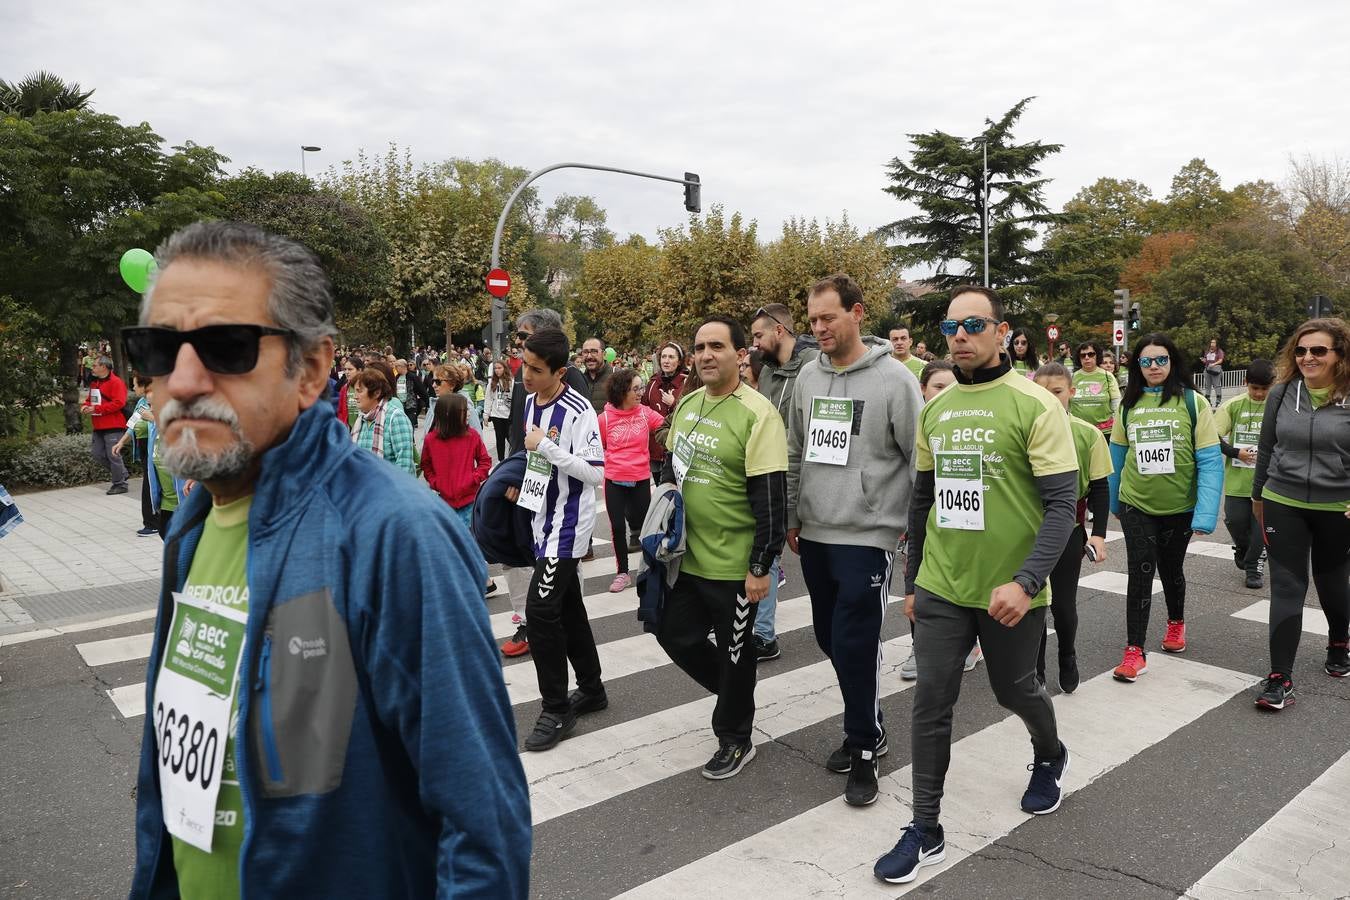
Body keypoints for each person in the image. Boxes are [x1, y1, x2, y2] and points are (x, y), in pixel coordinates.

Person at [124, 220, 528, 897]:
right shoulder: (191, 525)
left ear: (311, 369)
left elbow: (481, 820)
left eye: (227, 346)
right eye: (159, 349)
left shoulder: (393, 533)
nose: (184, 379)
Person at [875, 286, 1075, 886]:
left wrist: (1026, 581)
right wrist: (914, 582)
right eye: (950, 325)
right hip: (942, 585)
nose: (959, 335)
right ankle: (926, 829)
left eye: (972, 324)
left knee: (1017, 692)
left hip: (1009, 592)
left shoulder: (1036, 404)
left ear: (1000, 331)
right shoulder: (935, 409)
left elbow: (1063, 504)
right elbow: (922, 500)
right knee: (930, 701)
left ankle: (1049, 754)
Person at [784, 274, 921, 807]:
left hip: (869, 533)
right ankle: (874, 721)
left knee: (857, 639)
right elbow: (795, 449)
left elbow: (918, 459)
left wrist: (913, 531)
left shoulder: (894, 380)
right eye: (812, 320)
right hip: (815, 529)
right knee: (829, 637)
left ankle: (863, 747)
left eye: (828, 319)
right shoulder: (806, 379)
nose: (818, 329)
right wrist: (793, 514)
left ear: (857, 313)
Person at [657, 315, 787, 780]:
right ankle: (737, 694)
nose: (707, 355)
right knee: (671, 632)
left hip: (735, 566)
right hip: (686, 559)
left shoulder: (758, 413)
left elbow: (771, 499)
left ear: (739, 354)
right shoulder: (689, 404)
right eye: (700, 347)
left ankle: (734, 737)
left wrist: (760, 566)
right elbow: (671, 468)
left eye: (717, 346)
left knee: (737, 653)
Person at [510, 327, 607, 751]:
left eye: (535, 369)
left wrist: (545, 450)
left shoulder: (578, 408)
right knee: (567, 607)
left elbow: (595, 471)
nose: (526, 375)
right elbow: (535, 456)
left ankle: (556, 707)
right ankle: (591, 687)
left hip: (568, 527)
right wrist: (520, 483)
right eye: (523, 365)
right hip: (540, 521)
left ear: (559, 370)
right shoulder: (531, 401)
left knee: (540, 612)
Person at [1107, 332, 1222, 681]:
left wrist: (1204, 512)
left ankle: (1175, 623)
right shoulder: (1127, 406)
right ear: (1137, 366)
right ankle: (1134, 650)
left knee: (1171, 570)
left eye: (1160, 360)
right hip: (1136, 505)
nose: (1153, 367)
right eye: (1145, 361)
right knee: (1140, 572)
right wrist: (1114, 503)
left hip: (1180, 508)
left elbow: (1210, 461)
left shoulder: (1193, 402)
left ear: (1172, 363)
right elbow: (1117, 457)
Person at [1251, 319, 1350, 710]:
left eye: (1319, 350)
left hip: (1337, 507)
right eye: (1301, 350)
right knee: (1288, 586)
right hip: (1283, 499)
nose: (1308, 357)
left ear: (1339, 355)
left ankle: (1339, 641)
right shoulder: (1282, 394)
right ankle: (1280, 677)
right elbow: (1266, 445)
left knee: (1332, 581)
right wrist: (1258, 496)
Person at [500, 310, 594, 658]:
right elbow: (520, 436)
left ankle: (555, 700)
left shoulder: (573, 391)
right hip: (538, 499)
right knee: (561, 602)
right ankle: (590, 685)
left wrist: (545, 446)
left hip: (567, 513)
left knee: (548, 606)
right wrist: (516, 475)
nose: (520, 346)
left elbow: (589, 464)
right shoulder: (527, 389)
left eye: (525, 338)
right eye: (519, 341)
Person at [898, 358, 980, 684]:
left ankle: (971, 643)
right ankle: (920, 647)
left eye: (952, 387)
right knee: (916, 581)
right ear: (923, 389)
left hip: (961, 524)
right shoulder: (919, 421)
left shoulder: (970, 423)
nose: (946, 394)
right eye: (938, 387)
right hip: (917, 520)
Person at [1032, 362, 1112, 692]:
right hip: (1026, 528)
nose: (1050, 399)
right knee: (1032, 601)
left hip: (1068, 527)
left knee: (1063, 605)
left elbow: (1100, 487)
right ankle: (1034, 670)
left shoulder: (1087, 433)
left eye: (1057, 393)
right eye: (1042, 392)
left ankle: (1067, 654)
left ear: (1071, 393)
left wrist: (1099, 534)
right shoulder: (1023, 430)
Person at [750, 303, 821, 662]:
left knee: (821, 566)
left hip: (809, 482)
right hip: (770, 477)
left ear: (779, 330)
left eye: (759, 335)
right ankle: (762, 633)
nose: (754, 344)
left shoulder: (814, 366)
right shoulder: (766, 373)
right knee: (767, 550)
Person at [598, 369, 665, 592]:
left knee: (646, 526)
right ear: (622, 391)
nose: (640, 393)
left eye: (641, 387)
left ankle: (649, 569)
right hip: (614, 480)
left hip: (640, 478)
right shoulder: (604, 419)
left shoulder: (645, 413)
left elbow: (666, 426)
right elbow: (600, 447)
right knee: (617, 527)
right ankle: (622, 573)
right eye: (635, 388)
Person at [1214, 359, 1274, 589]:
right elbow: (1213, 436)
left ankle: (1253, 569)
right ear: (1245, 383)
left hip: (1268, 482)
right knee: (1235, 520)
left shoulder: (1277, 405)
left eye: (1264, 389)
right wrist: (1235, 452)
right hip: (1237, 481)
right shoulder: (1233, 405)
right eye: (1254, 388)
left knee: (1260, 527)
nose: (1259, 394)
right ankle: (1242, 547)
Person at [112, 374, 159, 535]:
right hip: (145, 450)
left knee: (151, 485)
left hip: (157, 450)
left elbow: (169, 422)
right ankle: (152, 522)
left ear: (145, 385)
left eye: (135, 385)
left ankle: (153, 523)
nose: (133, 388)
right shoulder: (141, 403)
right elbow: (132, 426)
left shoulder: (160, 401)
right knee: (149, 484)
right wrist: (121, 442)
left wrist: (152, 417)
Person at [349, 368, 417, 476]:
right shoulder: (361, 418)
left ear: (376, 393)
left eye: (360, 391)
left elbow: (405, 465)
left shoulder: (395, 418)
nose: (355, 396)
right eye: (355, 391)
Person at [82, 355, 130, 495]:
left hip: (114, 425)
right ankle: (121, 473)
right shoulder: (95, 383)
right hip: (98, 425)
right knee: (97, 454)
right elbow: (89, 400)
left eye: (95, 365)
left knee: (113, 455)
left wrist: (96, 409)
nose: (92, 368)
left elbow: (119, 403)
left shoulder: (116, 382)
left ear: (104, 367)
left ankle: (120, 484)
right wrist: (85, 406)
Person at [643, 341, 687, 484]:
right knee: (660, 492)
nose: (666, 361)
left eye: (671, 357)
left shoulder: (687, 383)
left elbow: (691, 413)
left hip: (678, 450)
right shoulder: (652, 384)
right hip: (655, 449)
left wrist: (674, 403)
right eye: (663, 357)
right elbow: (643, 410)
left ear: (679, 361)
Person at [1069, 341, 1120, 432]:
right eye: (1083, 355)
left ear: (1097, 355)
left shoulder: (1107, 376)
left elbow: (1116, 404)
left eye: (1091, 354)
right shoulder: (1072, 377)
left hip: (1105, 431)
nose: (1087, 358)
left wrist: (1118, 427)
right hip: (1078, 431)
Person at [486, 360, 514, 461]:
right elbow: (488, 399)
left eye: (499, 368)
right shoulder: (492, 383)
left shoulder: (511, 381)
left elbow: (515, 398)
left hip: (508, 415)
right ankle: (500, 460)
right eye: (495, 369)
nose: (497, 370)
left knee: (511, 439)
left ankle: (513, 459)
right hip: (496, 415)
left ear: (504, 368)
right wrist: (486, 414)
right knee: (499, 439)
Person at [579, 337, 613, 413]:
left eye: (594, 351)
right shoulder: (578, 379)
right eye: (585, 352)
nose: (589, 356)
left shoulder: (617, 376)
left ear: (604, 354)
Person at [1202, 338, 1226, 407]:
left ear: (1216, 344)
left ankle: (1218, 400)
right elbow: (1206, 360)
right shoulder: (1207, 351)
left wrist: (1214, 364)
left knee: (1216, 385)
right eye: (1211, 342)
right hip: (1207, 369)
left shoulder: (1219, 351)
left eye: (1214, 342)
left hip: (1215, 370)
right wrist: (1204, 360)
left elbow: (1221, 360)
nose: (1212, 344)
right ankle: (1208, 400)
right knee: (1207, 385)